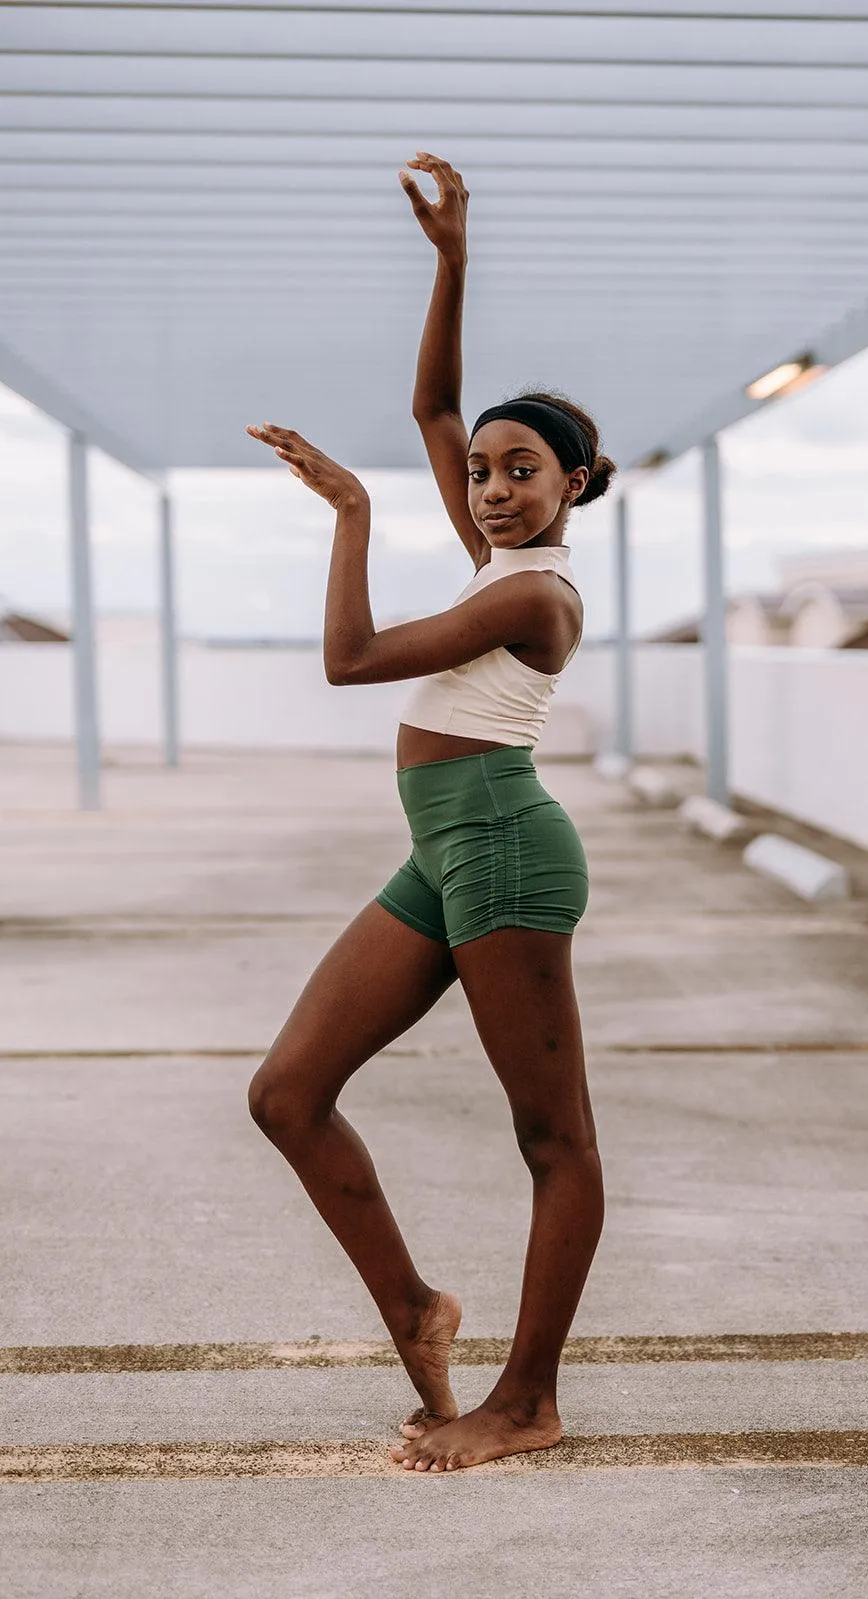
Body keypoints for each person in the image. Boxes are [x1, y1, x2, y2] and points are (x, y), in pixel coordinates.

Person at [246, 151, 617, 1473]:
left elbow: (349, 661)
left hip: (506, 848)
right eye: (478, 475)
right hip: (440, 850)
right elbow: (435, 403)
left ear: (574, 481)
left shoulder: (533, 596)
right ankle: (414, 1306)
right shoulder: (492, 562)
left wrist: (348, 510)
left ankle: (526, 1397)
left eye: (520, 471)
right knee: (288, 1094)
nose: (490, 487)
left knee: (551, 1137)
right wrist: (452, 259)